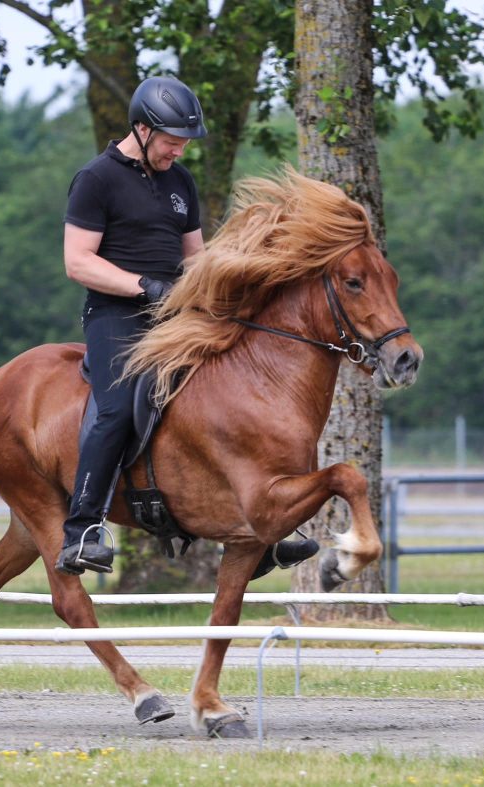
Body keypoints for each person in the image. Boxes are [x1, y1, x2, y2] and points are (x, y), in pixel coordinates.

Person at [57, 76, 318, 577]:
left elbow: (194, 258)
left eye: (184, 142)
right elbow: (78, 262)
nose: (179, 150)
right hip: (117, 316)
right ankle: (83, 530)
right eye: (172, 140)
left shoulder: (180, 182)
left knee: (241, 390)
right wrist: (145, 287)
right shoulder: (96, 179)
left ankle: (267, 525)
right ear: (141, 128)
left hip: (177, 314)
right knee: (116, 408)